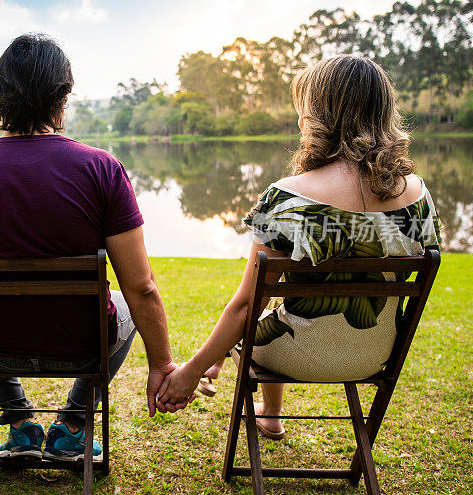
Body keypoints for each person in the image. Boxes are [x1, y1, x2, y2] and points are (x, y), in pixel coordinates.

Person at [0, 33, 190, 463]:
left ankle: (20, 424)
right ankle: (72, 425)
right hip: (86, 349)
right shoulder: (101, 169)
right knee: (121, 304)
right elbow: (141, 287)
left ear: (0, 95)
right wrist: (161, 364)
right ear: (63, 96)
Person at [156, 55, 442, 439]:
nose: (298, 121)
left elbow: (245, 305)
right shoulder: (418, 195)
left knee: (263, 313)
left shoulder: (288, 198)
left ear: (323, 115)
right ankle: (268, 412)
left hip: (293, 353)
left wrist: (189, 372)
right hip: (377, 354)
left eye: (303, 111)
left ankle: (253, 398)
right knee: (277, 307)